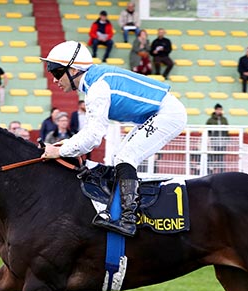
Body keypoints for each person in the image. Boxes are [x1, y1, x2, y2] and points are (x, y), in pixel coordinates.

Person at [40, 41, 187, 236]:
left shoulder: (97, 89)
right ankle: (118, 212)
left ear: (74, 69)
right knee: (119, 157)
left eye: (57, 73)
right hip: (159, 112)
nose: (55, 80)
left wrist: (59, 151)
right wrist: (67, 144)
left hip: (167, 114)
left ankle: (129, 219)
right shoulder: (95, 80)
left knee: (125, 158)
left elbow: (93, 138)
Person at [205, 103, 229, 174]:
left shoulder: (224, 119)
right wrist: (208, 140)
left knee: (221, 159)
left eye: (220, 110)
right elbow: (207, 131)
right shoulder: (210, 120)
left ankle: (222, 173)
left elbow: (227, 130)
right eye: (218, 110)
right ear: (215, 110)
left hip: (222, 142)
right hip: (213, 142)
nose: (219, 111)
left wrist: (226, 140)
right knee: (211, 158)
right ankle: (210, 173)